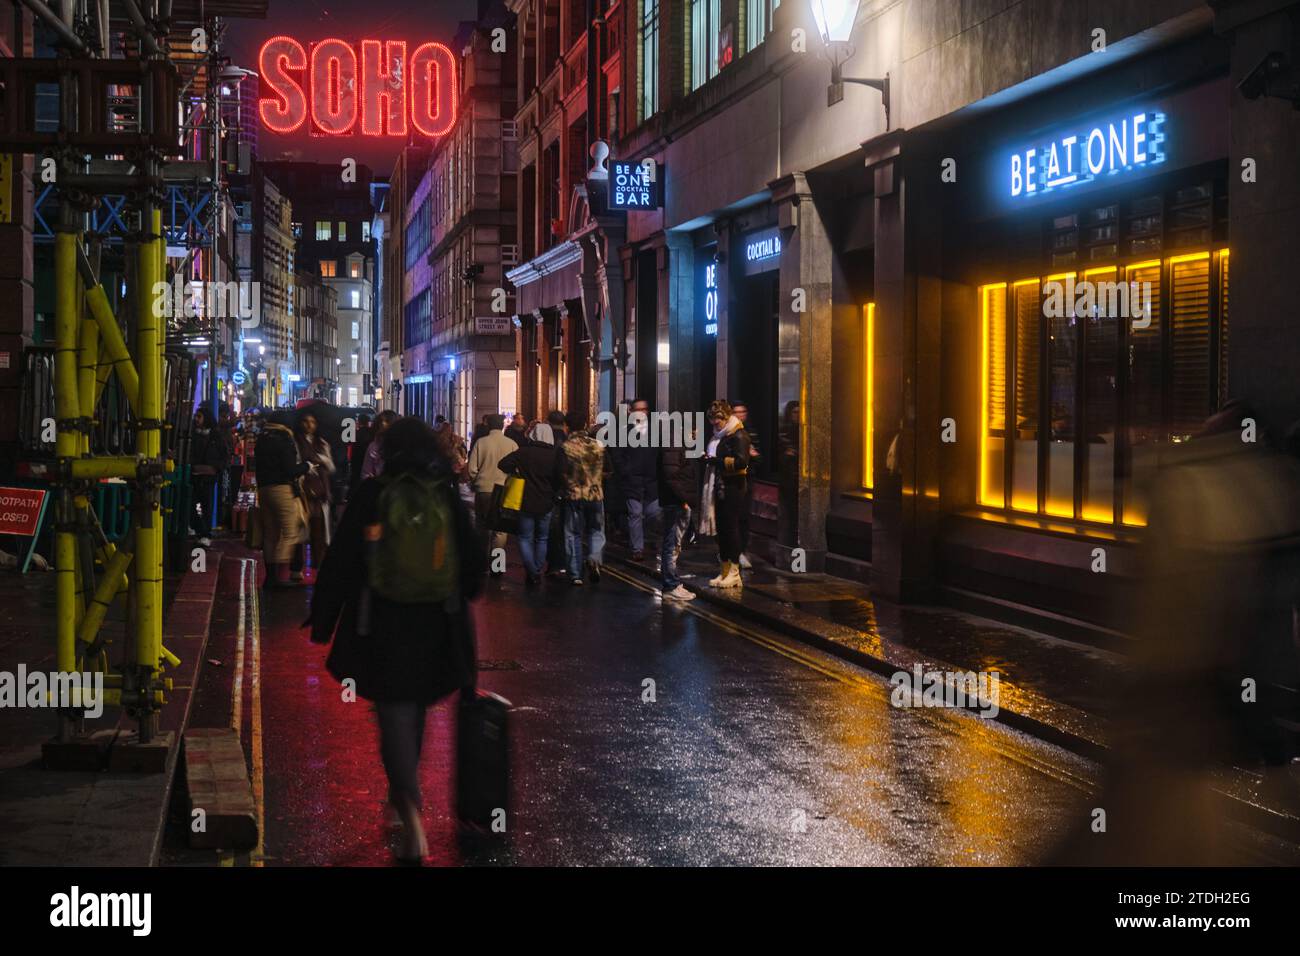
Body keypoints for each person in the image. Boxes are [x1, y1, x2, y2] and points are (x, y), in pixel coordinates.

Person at [307, 416, 485, 863]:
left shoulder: (373, 493)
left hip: (383, 623)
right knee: (415, 709)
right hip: (436, 624)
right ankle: (401, 793)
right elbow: (472, 559)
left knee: (393, 714)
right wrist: (465, 595)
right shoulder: (444, 491)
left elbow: (343, 558)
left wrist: (324, 618)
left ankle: (409, 808)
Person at [498, 422, 565, 587]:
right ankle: (537, 568)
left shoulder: (523, 452)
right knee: (542, 537)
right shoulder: (556, 454)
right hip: (546, 501)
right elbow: (560, 478)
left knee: (525, 537)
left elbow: (503, 464)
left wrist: (517, 472)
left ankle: (532, 571)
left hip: (525, 500)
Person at [699, 400, 750, 589]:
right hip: (719, 487)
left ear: (726, 417)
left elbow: (742, 462)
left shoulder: (738, 435)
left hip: (733, 487)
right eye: (711, 420)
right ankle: (724, 570)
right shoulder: (719, 436)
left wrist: (716, 461)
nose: (714, 424)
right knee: (721, 531)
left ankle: (735, 573)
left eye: (717, 420)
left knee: (731, 529)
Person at [255, 417, 310, 588]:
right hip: (282, 490)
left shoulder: (262, 439)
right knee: (290, 532)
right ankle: (280, 574)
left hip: (264, 489)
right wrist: (306, 466)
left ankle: (270, 577)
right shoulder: (284, 440)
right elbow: (290, 470)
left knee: (271, 534)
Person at [561, 410, 608, 586]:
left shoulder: (566, 447)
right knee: (596, 531)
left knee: (573, 534)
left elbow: (560, 472)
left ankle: (575, 574)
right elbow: (609, 470)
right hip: (596, 495)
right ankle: (594, 559)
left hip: (574, 495)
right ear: (585, 425)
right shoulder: (599, 445)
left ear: (567, 427)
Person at [466, 413, 516, 574]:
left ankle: (481, 564)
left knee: (482, 527)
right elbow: (516, 471)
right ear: (503, 426)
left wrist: (476, 481)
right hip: (504, 489)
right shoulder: (512, 444)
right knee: (501, 531)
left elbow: (472, 468)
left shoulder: (481, 442)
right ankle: (497, 565)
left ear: (489, 426)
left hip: (484, 489)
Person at [658, 421, 701, 601]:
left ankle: (671, 582)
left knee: (673, 543)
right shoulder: (674, 446)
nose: (695, 435)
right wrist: (684, 500)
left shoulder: (676, 445)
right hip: (676, 503)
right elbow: (672, 477)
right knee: (672, 544)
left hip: (677, 501)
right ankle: (671, 585)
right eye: (694, 431)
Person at [614, 398, 660, 561]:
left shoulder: (656, 430)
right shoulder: (623, 431)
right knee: (635, 514)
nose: (642, 412)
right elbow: (617, 455)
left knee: (653, 513)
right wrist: (626, 471)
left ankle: (645, 537)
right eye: (638, 409)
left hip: (651, 481)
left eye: (644, 409)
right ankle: (637, 548)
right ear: (631, 412)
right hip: (632, 481)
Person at [294, 411, 336, 575]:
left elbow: (331, 466)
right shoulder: (295, 442)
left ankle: (318, 565)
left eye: (312, 421)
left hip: (319, 491)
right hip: (302, 491)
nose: (309, 425)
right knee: (300, 530)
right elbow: (296, 463)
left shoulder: (322, 443)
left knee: (319, 529)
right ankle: (297, 568)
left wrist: (320, 460)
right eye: (306, 421)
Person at [188, 408, 229, 547]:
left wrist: (216, 468)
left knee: (207, 507)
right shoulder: (192, 435)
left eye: (199, 416)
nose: (196, 419)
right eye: (196, 416)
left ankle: (205, 535)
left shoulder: (216, 437)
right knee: (189, 505)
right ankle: (201, 530)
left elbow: (225, 457)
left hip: (208, 478)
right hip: (193, 476)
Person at [732, 401, 759, 570]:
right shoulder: (729, 434)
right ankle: (734, 551)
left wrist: (754, 455)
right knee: (733, 517)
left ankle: (741, 550)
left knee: (744, 517)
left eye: (742, 412)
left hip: (748, 479)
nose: (740, 415)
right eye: (736, 412)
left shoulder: (751, 432)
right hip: (733, 480)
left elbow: (759, 458)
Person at [360, 410, 399, 482]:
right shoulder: (374, 445)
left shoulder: (401, 444)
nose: (383, 423)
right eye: (381, 421)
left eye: (387, 421)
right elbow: (366, 472)